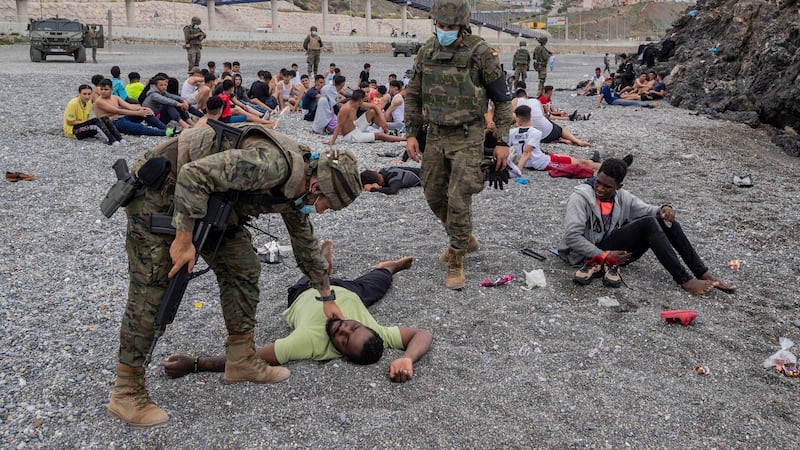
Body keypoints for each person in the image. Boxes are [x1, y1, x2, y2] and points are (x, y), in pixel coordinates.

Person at [107, 124, 364, 428]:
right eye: (327, 206)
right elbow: (192, 175)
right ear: (318, 187)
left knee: (242, 266)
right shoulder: (271, 167)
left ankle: (241, 360)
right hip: (162, 191)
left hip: (214, 202)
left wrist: (326, 296)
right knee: (155, 287)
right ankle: (127, 390)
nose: (321, 211)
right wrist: (183, 240)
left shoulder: (298, 187)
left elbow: (304, 242)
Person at [163, 245, 432, 382]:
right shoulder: (379, 335)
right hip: (354, 294)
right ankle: (389, 266)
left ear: (341, 355)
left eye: (344, 338)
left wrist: (195, 364)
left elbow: (248, 358)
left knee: (314, 276)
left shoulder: (309, 343)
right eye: (355, 327)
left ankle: (323, 269)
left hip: (307, 291)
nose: (344, 327)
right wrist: (408, 358)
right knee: (381, 281)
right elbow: (422, 333)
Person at [405, 0, 512, 290]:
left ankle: (456, 259)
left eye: (451, 27)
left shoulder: (480, 53)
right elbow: (413, 94)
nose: (445, 31)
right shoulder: (426, 51)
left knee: (458, 196)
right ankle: (464, 238)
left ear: (462, 26)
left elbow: (502, 100)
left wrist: (502, 140)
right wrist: (411, 133)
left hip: (469, 135)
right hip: (436, 134)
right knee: (432, 193)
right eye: (441, 26)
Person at [558, 158, 736, 295]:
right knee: (649, 223)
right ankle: (685, 280)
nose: (601, 189)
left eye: (608, 187)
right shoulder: (580, 197)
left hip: (611, 249)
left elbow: (649, 210)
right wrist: (604, 255)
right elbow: (573, 237)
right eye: (599, 182)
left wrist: (665, 208)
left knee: (665, 221)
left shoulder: (621, 196)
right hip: (587, 255)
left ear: (619, 187)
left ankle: (702, 273)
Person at [509, 105, 605, 174]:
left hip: (537, 159)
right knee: (580, 163)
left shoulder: (512, 132)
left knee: (568, 158)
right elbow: (527, 153)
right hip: (542, 162)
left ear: (517, 118)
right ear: (530, 116)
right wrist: (518, 170)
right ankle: (607, 168)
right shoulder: (535, 132)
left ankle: (593, 161)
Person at [93, 78, 179, 137]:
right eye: (102, 89)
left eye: (106, 89)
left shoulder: (115, 97)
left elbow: (129, 106)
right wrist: (138, 113)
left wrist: (142, 109)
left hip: (121, 118)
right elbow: (118, 110)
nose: (103, 92)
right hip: (112, 123)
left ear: (111, 89)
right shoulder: (99, 101)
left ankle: (166, 129)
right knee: (139, 128)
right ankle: (165, 133)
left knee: (146, 113)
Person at [326, 89, 407, 145]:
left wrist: (383, 121)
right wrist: (332, 142)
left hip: (356, 126)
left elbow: (374, 107)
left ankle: (386, 131)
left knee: (372, 112)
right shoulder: (346, 108)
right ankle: (404, 139)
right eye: (364, 99)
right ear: (360, 99)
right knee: (379, 135)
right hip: (351, 136)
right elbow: (339, 126)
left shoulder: (357, 103)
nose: (364, 101)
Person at [512, 88, 589, 146]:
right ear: (526, 96)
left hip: (535, 136)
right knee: (560, 130)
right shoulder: (536, 101)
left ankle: (559, 140)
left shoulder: (515, 100)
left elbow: (513, 116)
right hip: (549, 130)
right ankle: (577, 141)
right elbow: (543, 116)